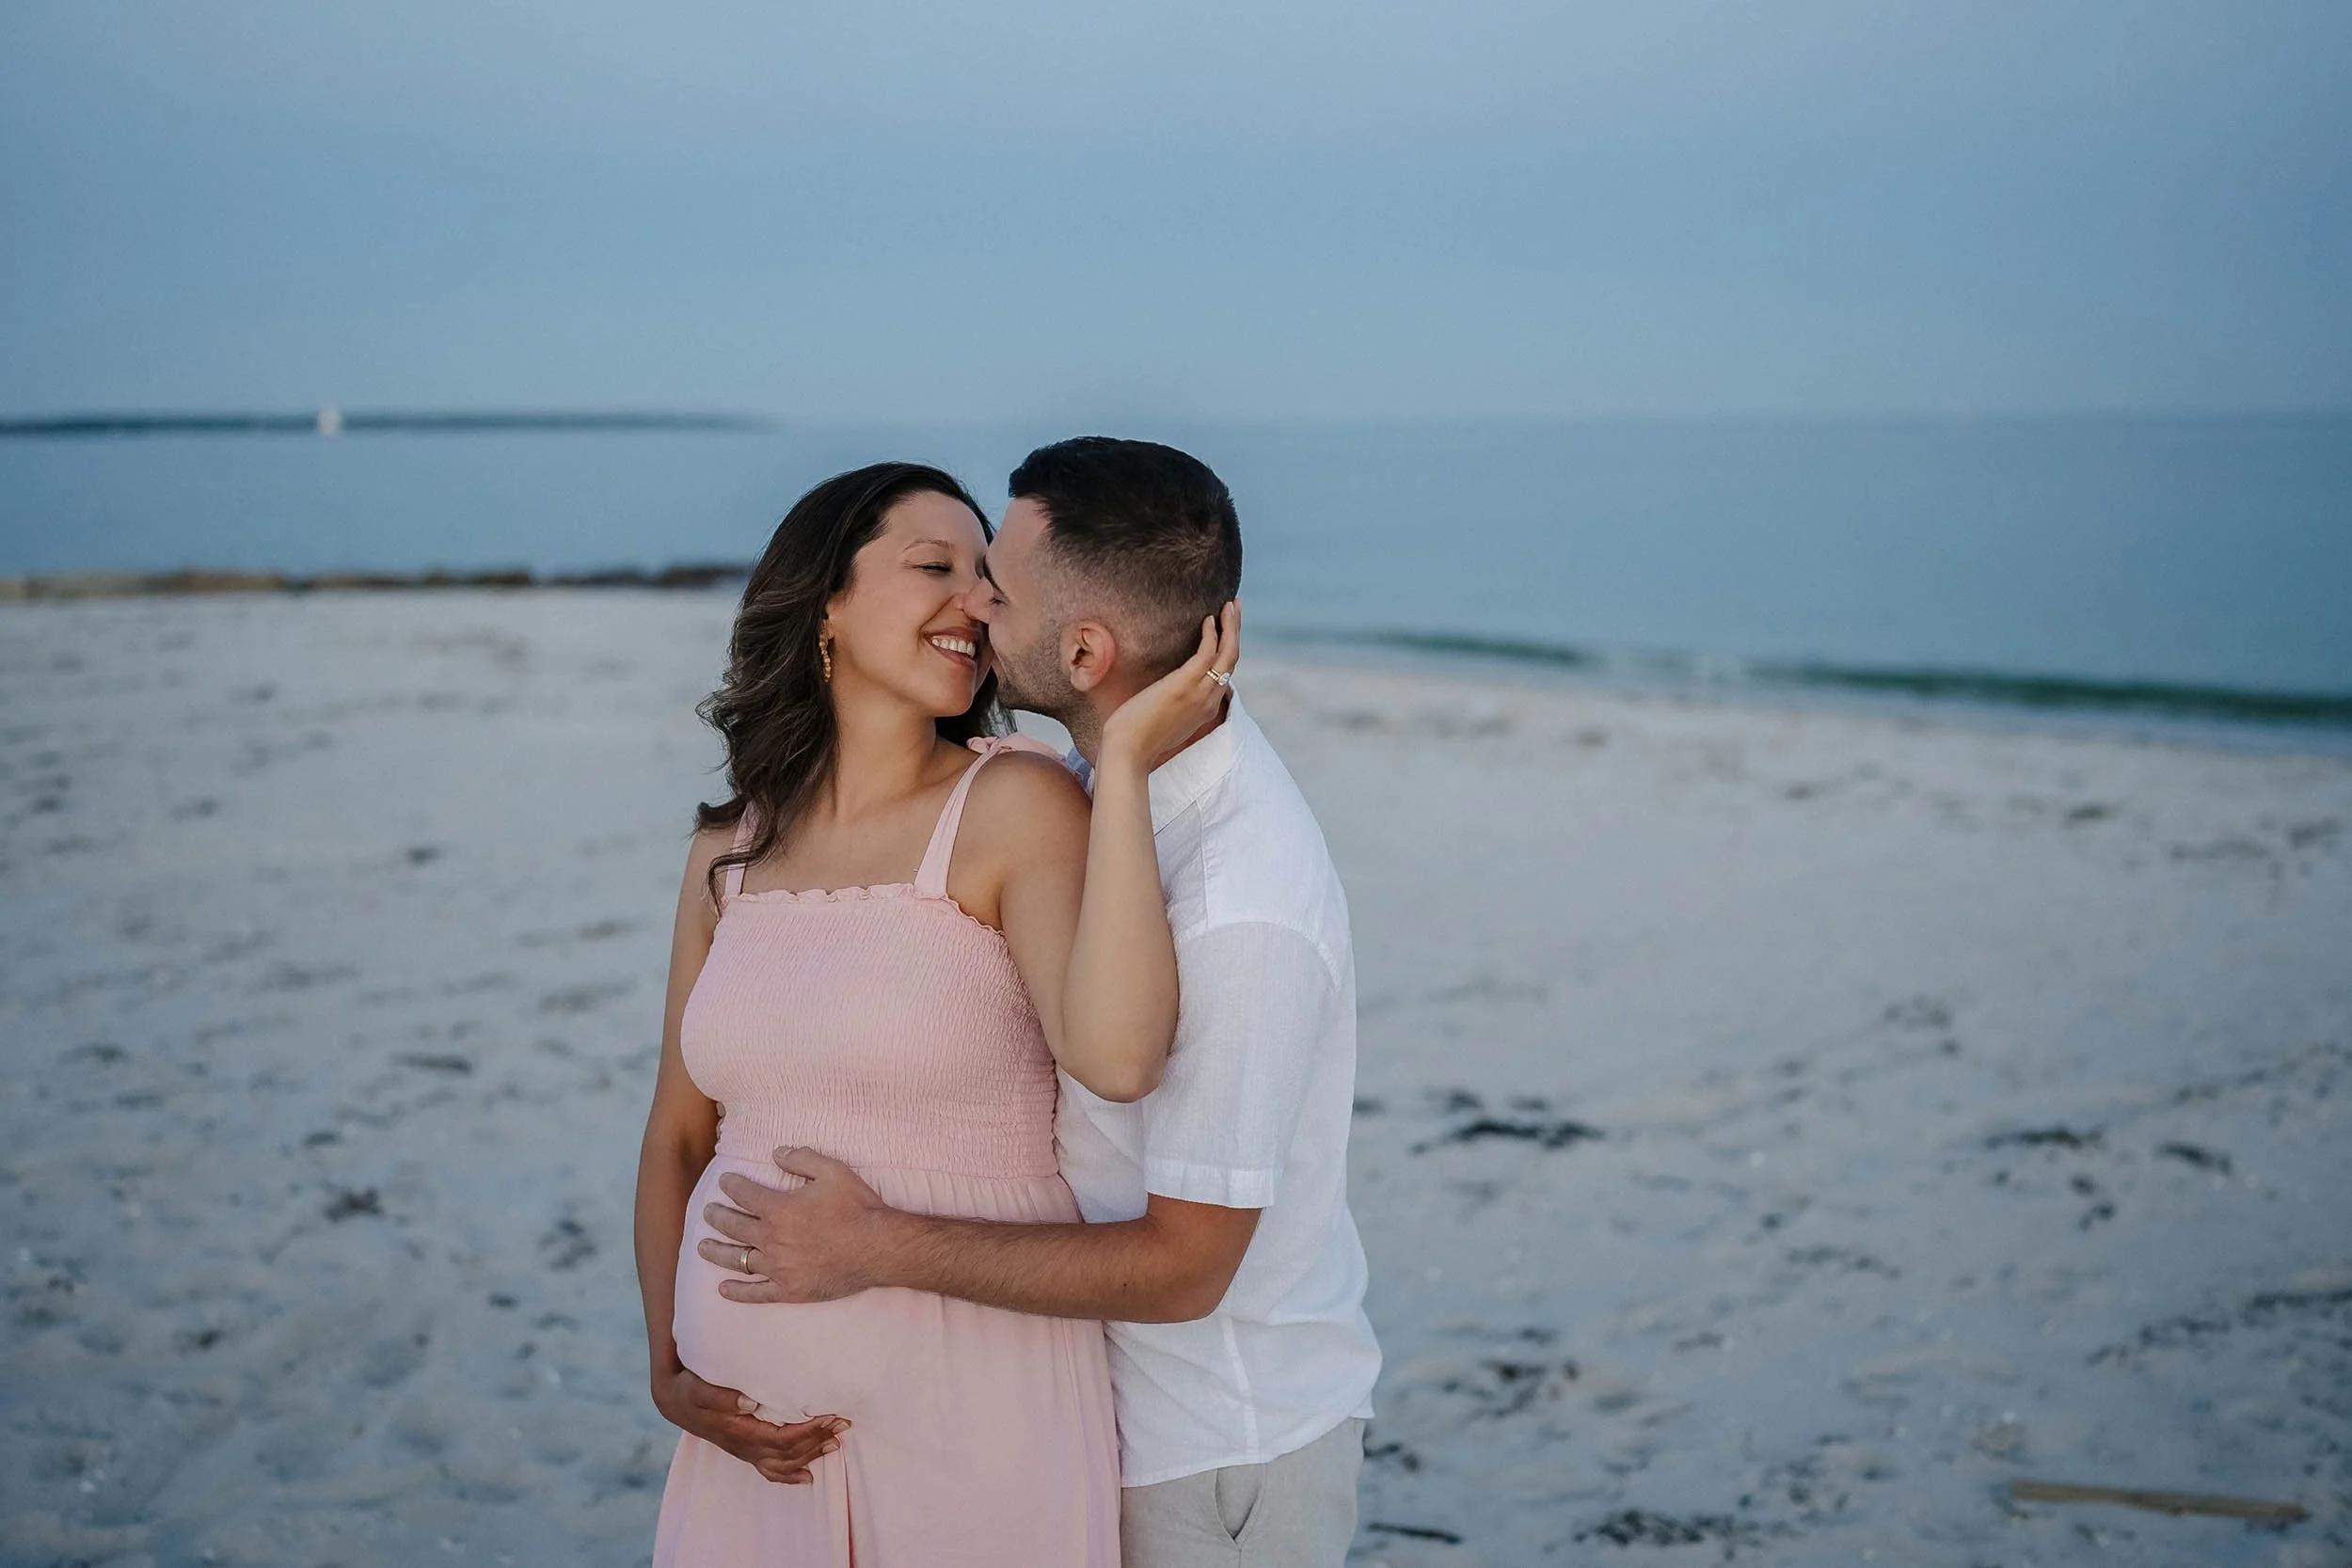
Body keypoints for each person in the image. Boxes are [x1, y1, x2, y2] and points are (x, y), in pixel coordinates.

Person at [705, 437, 1382, 1567]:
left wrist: (877, 1245)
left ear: (1083, 649)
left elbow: (1183, 1265)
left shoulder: (1240, 903)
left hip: (1214, 1456)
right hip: (1083, 1418)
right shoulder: (1092, 788)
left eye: (996, 587)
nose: (973, 604)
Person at [631, 460, 1238, 1564]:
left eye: (988, 574)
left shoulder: (1014, 802)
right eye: (934, 567)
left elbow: (1120, 1054)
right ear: (827, 600)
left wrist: (1131, 770)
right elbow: (678, 1132)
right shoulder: (727, 850)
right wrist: (668, 1364)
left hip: (976, 1417)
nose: (976, 599)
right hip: (752, 1453)